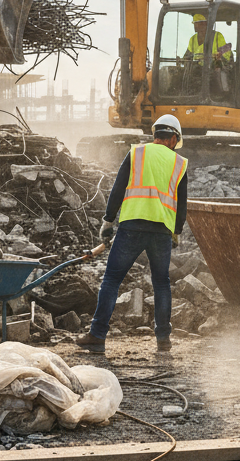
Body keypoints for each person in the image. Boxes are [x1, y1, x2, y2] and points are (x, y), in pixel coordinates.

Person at [77, 115, 188, 355]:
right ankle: (163, 341)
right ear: (173, 139)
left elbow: (118, 187)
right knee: (161, 284)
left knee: (112, 280)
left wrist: (108, 221)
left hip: (132, 226)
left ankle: (97, 336)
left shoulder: (137, 154)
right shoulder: (179, 163)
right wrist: (176, 232)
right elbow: (182, 203)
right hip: (161, 231)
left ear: (155, 134)